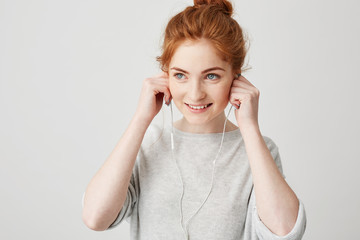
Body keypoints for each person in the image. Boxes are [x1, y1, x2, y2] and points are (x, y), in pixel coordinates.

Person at [81, 0, 307, 239]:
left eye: (211, 76)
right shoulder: (148, 143)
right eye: (180, 75)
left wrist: (250, 127)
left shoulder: (258, 150)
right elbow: (95, 218)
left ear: (236, 76)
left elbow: (285, 230)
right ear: (165, 75)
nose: (195, 93)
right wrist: (141, 118)